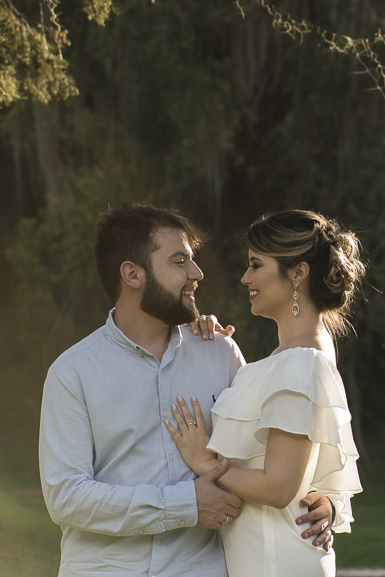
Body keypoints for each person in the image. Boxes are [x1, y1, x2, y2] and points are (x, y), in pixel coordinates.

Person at [39, 202, 334, 577]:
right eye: (179, 261)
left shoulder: (220, 352)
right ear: (132, 274)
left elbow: (274, 448)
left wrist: (326, 500)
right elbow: (67, 499)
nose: (197, 273)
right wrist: (186, 503)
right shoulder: (73, 373)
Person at [165, 209, 364, 577]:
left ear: (298, 273)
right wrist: (201, 338)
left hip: (276, 562)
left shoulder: (301, 362)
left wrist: (204, 462)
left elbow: (278, 487)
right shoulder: (293, 358)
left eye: (256, 265)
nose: (245, 277)